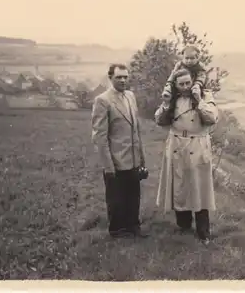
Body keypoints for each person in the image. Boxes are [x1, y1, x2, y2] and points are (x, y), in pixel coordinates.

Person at [154, 68, 219, 245]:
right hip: (177, 145)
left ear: (193, 82)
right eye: (181, 84)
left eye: (187, 83)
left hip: (197, 145)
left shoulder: (205, 96)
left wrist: (199, 101)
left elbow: (212, 118)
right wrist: (166, 104)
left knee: (199, 189)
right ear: (175, 84)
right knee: (179, 185)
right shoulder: (172, 98)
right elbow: (159, 120)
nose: (184, 87)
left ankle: (203, 231)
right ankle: (183, 225)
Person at [91, 63, 148, 239]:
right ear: (110, 78)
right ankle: (117, 231)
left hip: (133, 158)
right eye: (118, 77)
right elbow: (100, 136)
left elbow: (136, 128)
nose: (123, 80)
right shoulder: (103, 100)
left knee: (133, 195)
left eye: (125, 77)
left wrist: (141, 158)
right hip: (116, 159)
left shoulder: (130, 96)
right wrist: (108, 166)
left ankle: (133, 227)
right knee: (116, 198)